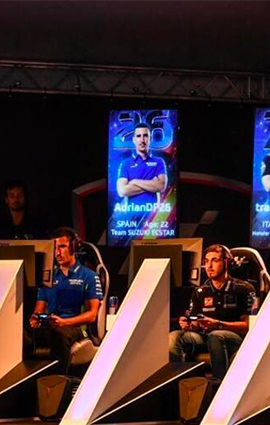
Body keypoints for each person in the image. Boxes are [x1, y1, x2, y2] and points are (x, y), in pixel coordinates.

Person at [169, 244, 256, 380]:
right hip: (205, 337)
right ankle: (180, 382)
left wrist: (218, 324)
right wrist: (189, 325)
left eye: (215, 260)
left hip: (234, 338)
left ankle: (219, 383)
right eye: (206, 261)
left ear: (227, 263)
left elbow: (249, 326)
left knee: (216, 335)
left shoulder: (244, 288)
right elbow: (196, 324)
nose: (209, 266)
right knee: (174, 336)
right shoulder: (200, 291)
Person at [28, 228, 103, 374]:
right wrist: (34, 319)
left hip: (74, 328)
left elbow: (92, 315)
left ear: (73, 247)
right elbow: (39, 309)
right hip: (50, 326)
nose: (57, 253)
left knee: (58, 336)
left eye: (62, 247)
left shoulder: (89, 276)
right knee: (23, 337)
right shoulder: (48, 276)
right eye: (54, 248)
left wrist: (64, 322)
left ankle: (59, 379)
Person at [116, 122, 167, 206]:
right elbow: (122, 191)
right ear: (134, 139)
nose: (142, 140)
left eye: (145, 135)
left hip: (152, 212)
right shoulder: (125, 164)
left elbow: (161, 186)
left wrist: (134, 182)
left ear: (150, 138)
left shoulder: (159, 161)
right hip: (132, 212)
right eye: (138, 136)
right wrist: (152, 184)